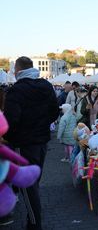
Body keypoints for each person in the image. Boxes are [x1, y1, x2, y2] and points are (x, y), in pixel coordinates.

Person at [3, 56, 59, 230]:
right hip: (41, 142)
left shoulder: (16, 90)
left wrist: (9, 137)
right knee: (33, 184)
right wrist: (41, 127)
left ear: (18, 71)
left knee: (28, 186)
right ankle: (32, 221)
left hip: (23, 144)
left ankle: (34, 224)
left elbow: (11, 120)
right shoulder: (46, 86)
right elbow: (54, 112)